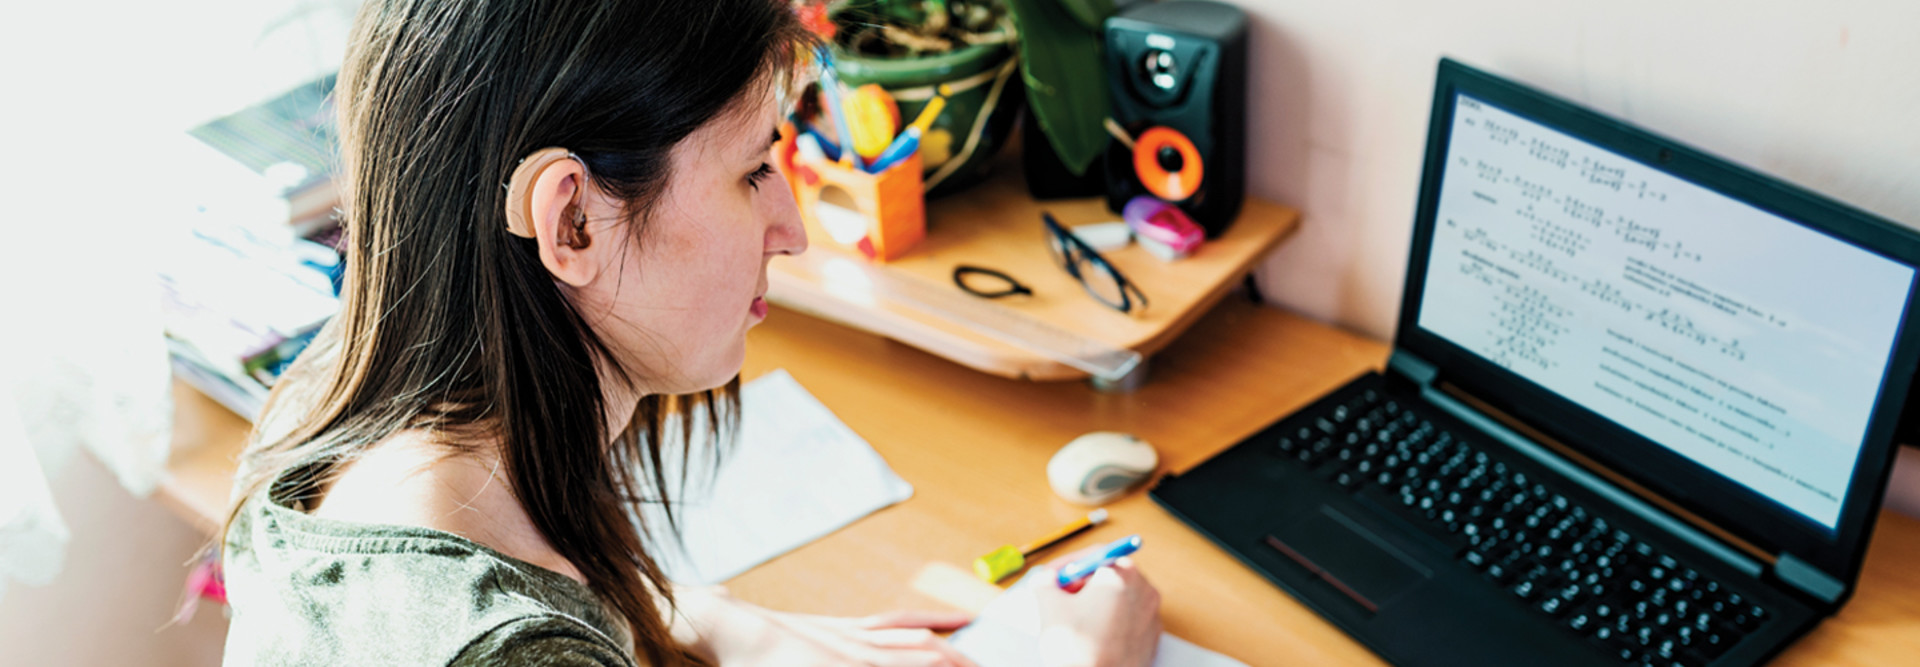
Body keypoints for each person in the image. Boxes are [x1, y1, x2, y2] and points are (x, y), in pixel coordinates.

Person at [217, 1, 1162, 665]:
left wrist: (715, 621)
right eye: (754, 171)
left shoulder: (337, 396)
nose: (791, 229)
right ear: (572, 222)